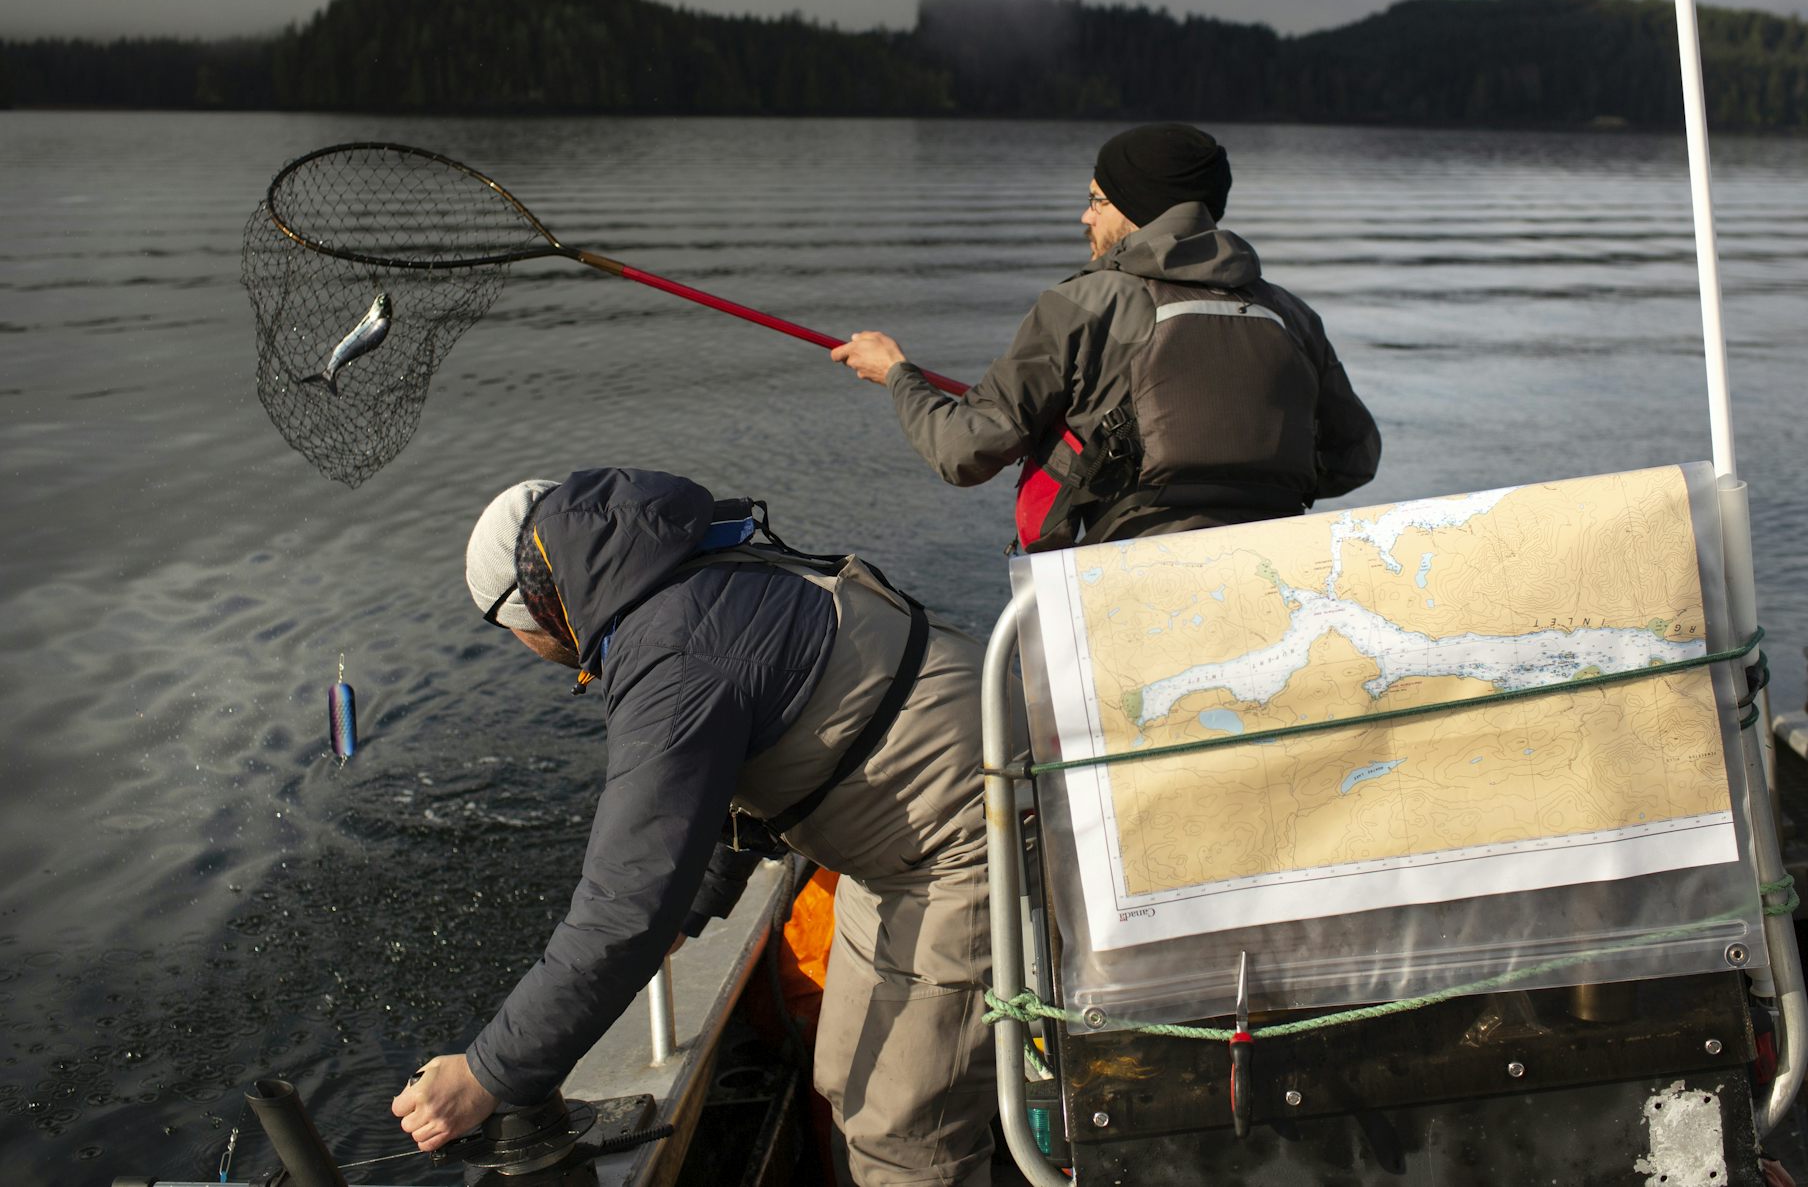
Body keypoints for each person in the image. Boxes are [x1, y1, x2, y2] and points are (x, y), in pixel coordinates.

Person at [392, 468, 996, 1187]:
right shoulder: (695, 575)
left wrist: (488, 1071)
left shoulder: (670, 651)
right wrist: (692, 901)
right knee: (847, 1073)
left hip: (969, 836)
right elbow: (740, 776)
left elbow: (623, 906)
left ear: (541, 609)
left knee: (904, 1132)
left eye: (514, 633)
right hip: (912, 838)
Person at [831, 122, 1381, 550]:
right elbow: (1354, 459)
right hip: (1274, 575)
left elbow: (963, 450)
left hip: (1127, 584)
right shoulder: (1292, 315)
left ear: (1141, 207)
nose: (1084, 218)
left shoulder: (1082, 305)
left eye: (1098, 200)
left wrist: (897, 374)